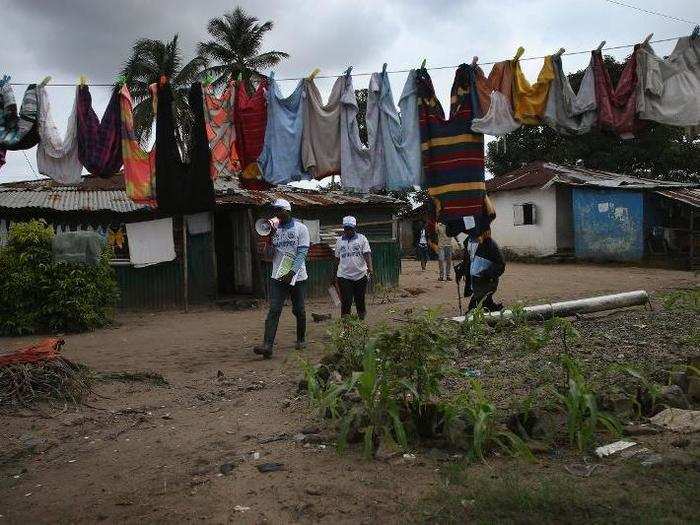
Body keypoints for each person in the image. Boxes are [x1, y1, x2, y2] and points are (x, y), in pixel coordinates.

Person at [253, 198, 310, 359]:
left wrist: (292, 272)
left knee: (298, 309)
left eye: (279, 210)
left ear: (287, 211)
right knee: (274, 310)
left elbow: (302, 253)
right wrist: (269, 238)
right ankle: (267, 345)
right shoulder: (274, 230)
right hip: (277, 276)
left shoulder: (301, 228)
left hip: (297, 276)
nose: (276, 213)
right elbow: (269, 256)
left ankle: (301, 339)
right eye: (274, 210)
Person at [332, 216, 373, 319]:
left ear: (354, 228)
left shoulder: (362, 239)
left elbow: (367, 254)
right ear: (344, 228)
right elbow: (336, 259)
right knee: (346, 302)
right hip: (344, 276)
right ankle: (346, 328)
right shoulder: (339, 241)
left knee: (360, 300)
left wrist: (370, 269)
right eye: (346, 228)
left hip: (360, 275)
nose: (348, 231)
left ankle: (360, 324)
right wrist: (333, 275)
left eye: (350, 228)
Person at [463, 225, 505, 312]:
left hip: (487, 281)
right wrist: (463, 270)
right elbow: (469, 260)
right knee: (486, 302)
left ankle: (471, 318)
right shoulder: (468, 242)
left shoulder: (491, 245)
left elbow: (500, 264)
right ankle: (497, 313)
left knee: (475, 305)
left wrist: (486, 274)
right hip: (475, 279)